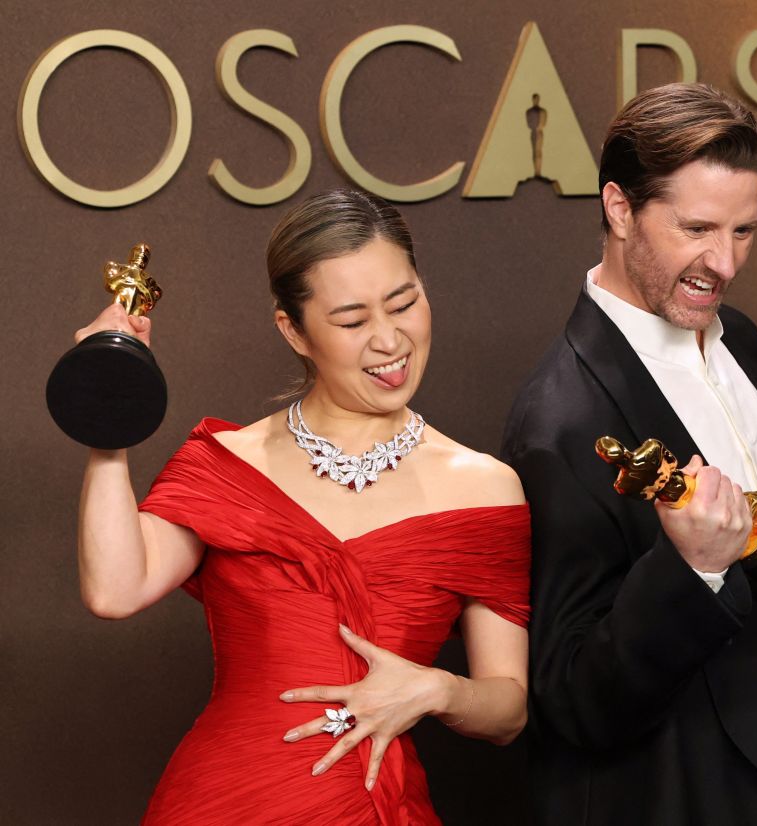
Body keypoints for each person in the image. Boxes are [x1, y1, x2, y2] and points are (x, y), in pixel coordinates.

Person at [74, 189, 530, 825]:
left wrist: (437, 689)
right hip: (222, 803)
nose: (389, 339)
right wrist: (106, 414)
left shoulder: (484, 488)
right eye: (351, 321)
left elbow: (508, 711)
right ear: (294, 330)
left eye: (404, 303)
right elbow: (114, 590)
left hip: (371, 805)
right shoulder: (230, 465)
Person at [501, 83, 757, 826]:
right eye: (698, 228)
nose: (725, 263)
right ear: (619, 209)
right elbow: (574, 698)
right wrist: (693, 569)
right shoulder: (560, 419)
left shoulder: (742, 339)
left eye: (745, 231)